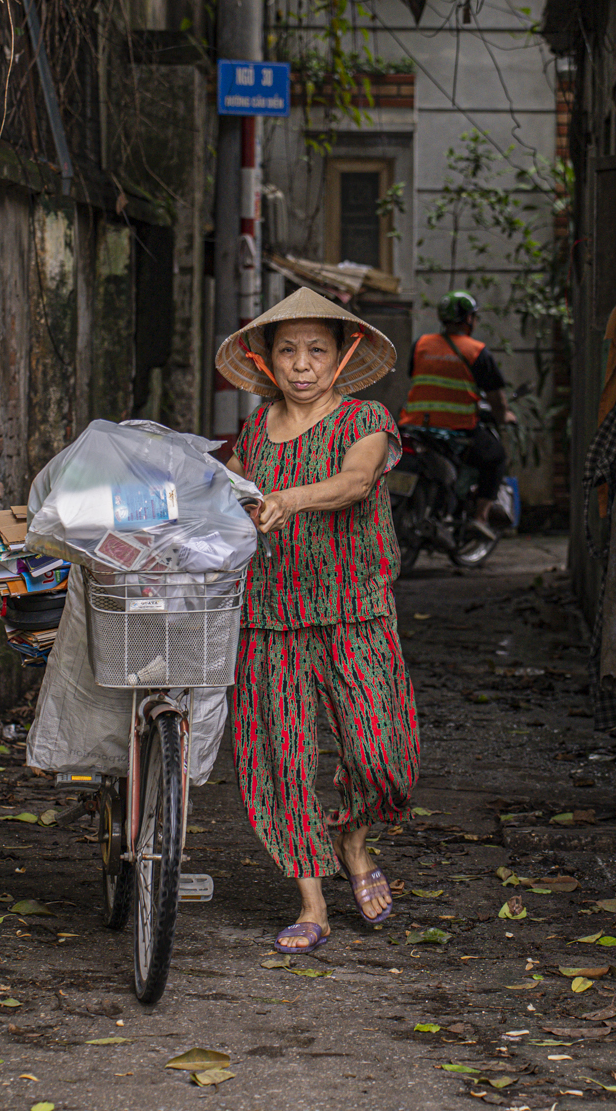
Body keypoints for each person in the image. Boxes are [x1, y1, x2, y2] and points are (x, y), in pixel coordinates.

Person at [214, 287, 421, 955]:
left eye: (316, 350)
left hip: (354, 607)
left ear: (341, 356)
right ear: (267, 359)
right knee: (280, 758)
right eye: (288, 350)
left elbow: (357, 481)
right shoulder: (252, 432)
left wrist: (290, 498)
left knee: (381, 753)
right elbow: (221, 492)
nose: (302, 363)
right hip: (267, 615)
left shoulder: (366, 419)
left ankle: (353, 840)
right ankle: (310, 900)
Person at [400, 290, 515, 540]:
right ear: (468, 319)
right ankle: (480, 517)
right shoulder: (477, 351)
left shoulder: (421, 345)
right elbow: (496, 397)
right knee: (495, 458)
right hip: (455, 429)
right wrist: (504, 416)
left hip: (414, 426)